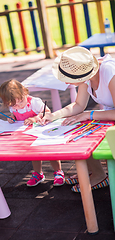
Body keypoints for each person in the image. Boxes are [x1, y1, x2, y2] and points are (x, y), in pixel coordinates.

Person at [38, 46, 115, 192]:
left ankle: (99, 175)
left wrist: (89, 114)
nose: (67, 83)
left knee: (84, 125)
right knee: (78, 129)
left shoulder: (110, 72)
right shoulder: (86, 72)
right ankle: (95, 171)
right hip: (109, 117)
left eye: (69, 80)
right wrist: (53, 115)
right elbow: (79, 105)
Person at [0, 79, 65, 187]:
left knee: (50, 152)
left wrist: (35, 118)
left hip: (42, 131)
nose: (18, 106)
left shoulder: (34, 102)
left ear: (25, 93)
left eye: (20, 102)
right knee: (34, 154)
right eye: (14, 105)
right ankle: (38, 174)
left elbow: (47, 112)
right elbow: (16, 115)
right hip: (28, 134)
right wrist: (12, 118)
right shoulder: (13, 106)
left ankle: (58, 172)